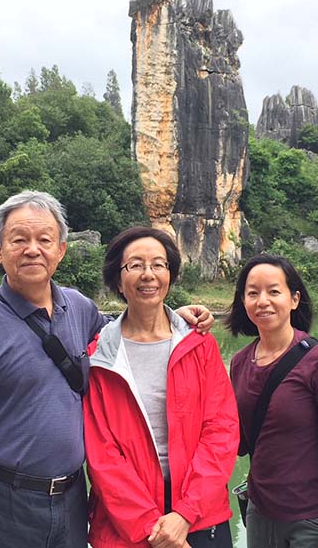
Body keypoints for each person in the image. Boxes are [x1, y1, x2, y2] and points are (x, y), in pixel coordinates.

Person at [0, 192, 213, 548]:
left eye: (44, 240)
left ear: (61, 250)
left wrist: (177, 315)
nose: (33, 249)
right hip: (4, 500)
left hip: (72, 498)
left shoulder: (78, 308)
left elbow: (130, 330)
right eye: (19, 239)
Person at [84, 227, 239, 548]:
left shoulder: (199, 344)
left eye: (159, 264)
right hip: (127, 529)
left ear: (170, 275)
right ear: (118, 279)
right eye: (135, 265)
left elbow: (221, 431)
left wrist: (185, 513)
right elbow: (102, 455)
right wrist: (149, 528)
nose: (148, 274)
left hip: (200, 517)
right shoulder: (100, 357)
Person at [226, 255, 318, 548]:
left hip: (312, 519)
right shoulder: (240, 362)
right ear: (243, 302)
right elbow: (240, 442)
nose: (263, 301)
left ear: (294, 299)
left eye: (274, 291)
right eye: (253, 293)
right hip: (260, 513)